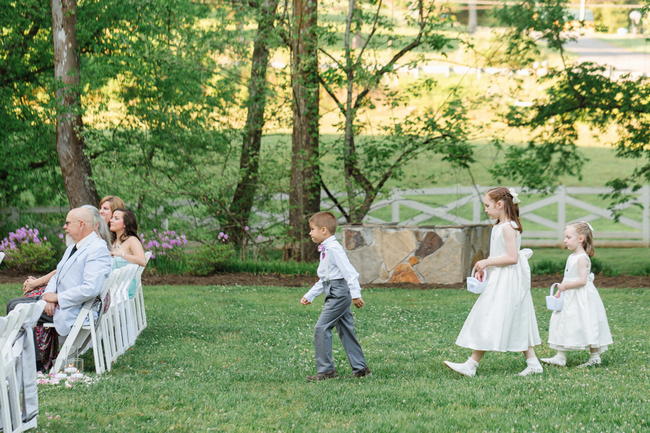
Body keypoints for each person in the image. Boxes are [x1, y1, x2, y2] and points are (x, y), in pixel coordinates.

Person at [443, 187, 543, 377]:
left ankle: (471, 364)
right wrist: (486, 269)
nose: (485, 209)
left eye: (487, 205)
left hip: (508, 281)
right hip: (500, 277)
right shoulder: (500, 226)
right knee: (511, 317)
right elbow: (500, 254)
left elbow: (512, 257)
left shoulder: (508, 228)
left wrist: (486, 261)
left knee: (491, 316)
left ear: (500, 204)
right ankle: (532, 362)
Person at [18, 205, 111, 370]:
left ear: (81, 224)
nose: (64, 226)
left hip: (74, 309)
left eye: (68, 223)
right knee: (18, 304)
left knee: (17, 308)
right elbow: (57, 275)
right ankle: (33, 361)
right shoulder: (74, 247)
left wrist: (59, 298)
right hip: (59, 302)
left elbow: (91, 288)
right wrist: (49, 296)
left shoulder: (97, 249)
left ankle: (36, 365)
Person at [300, 211, 370, 381]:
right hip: (334, 290)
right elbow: (325, 278)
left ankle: (326, 371)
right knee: (345, 329)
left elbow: (349, 273)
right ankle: (361, 368)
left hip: (339, 294)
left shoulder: (334, 249)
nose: (310, 233)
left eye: (312, 229)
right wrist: (310, 295)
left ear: (324, 230)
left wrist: (355, 295)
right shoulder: (327, 248)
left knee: (321, 328)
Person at [541, 222, 613, 368]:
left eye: (568, 237)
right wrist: (560, 290)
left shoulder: (582, 258)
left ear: (580, 238)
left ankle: (595, 356)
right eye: (565, 237)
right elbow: (567, 276)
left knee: (586, 322)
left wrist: (565, 286)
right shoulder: (572, 256)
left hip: (581, 297)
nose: (565, 240)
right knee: (562, 322)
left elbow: (582, 280)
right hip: (568, 295)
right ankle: (560, 356)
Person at [109, 208, 146, 298]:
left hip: (123, 289)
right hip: (114, 285)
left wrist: (122, 255)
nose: (111, 220)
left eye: (116, 218)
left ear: (125, 224)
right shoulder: (113, 242)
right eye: (112, 218)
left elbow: (142, 261)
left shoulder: (132, 240)